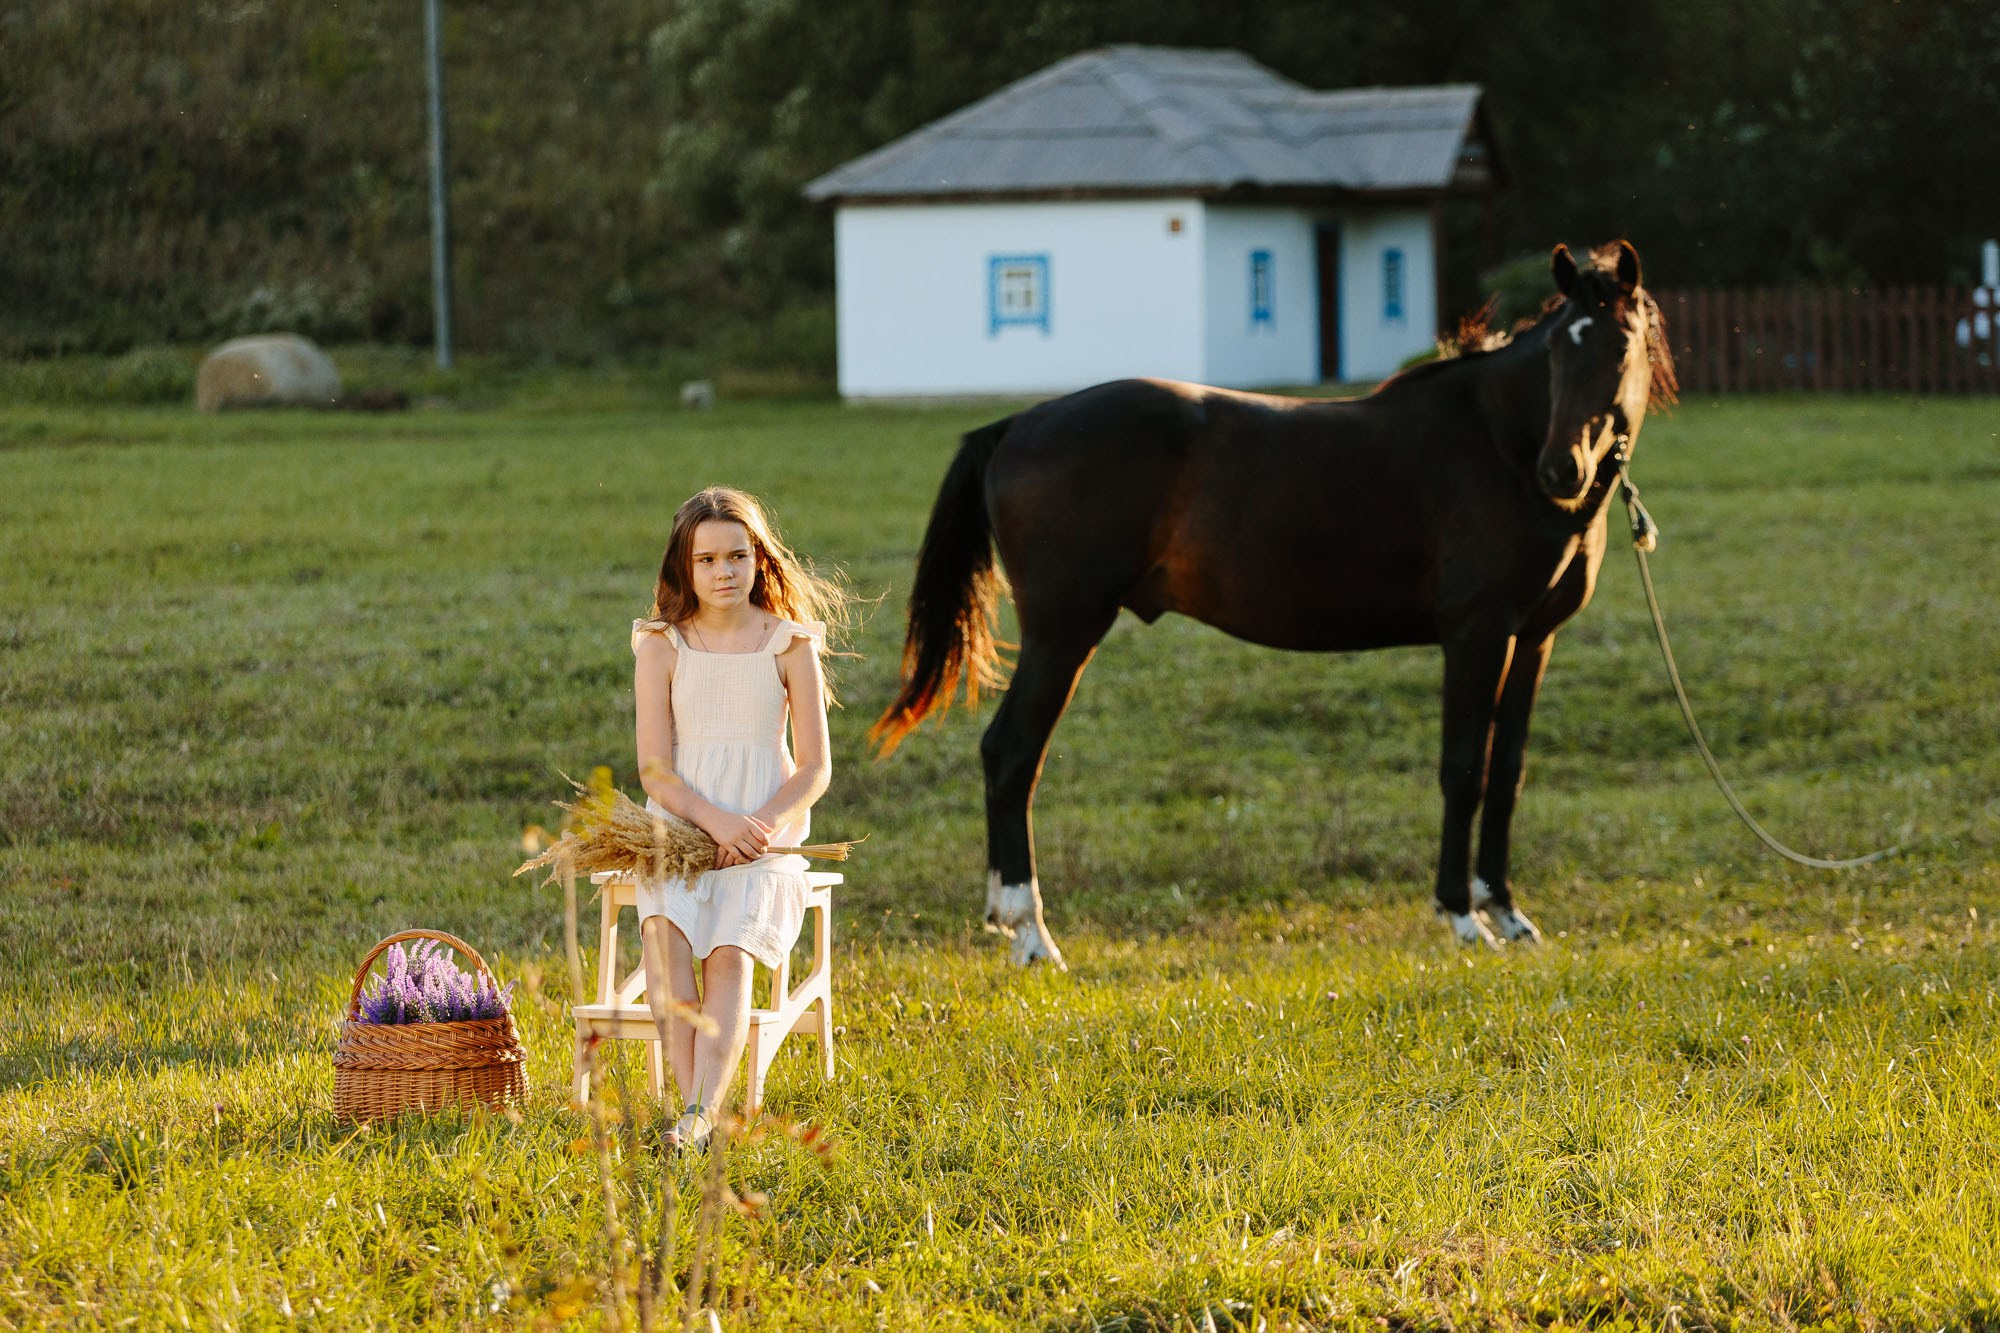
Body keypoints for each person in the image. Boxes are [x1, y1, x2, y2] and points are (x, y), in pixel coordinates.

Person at [630, 486, 845, 1152]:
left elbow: (814, 767)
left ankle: (695, 1112)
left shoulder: (788, 644)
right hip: (681, 826)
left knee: (728, 953)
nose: (724, 572)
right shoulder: (663, 645)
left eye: (737, 555)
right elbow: (655, 770)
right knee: (666, 938)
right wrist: (713, 822)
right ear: (683, 568)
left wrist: (755, 826)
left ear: (759, 559)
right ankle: (697, 1116)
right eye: (707, 560)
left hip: (762, 835)